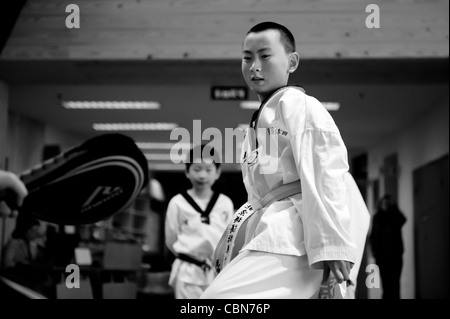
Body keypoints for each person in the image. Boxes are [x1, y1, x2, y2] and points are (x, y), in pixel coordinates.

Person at [201, 22, 365, 299]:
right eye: (247, 57)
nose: (254, 66)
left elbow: (325, 173)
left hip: (297, 234)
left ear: (292, 62)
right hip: (274, 227)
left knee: (216, 299)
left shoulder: (300, 105)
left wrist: (332, 246)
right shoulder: (262, 117)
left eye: (265, 56)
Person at [165, 144, 234, 298]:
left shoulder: (225, 203)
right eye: (197, 169)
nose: (202, 175)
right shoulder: (177, 202)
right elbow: (171, 240)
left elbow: (230, 238)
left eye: (208, 170)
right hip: (187, 270)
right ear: (187, 172)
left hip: (218, 270)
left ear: (217, 173)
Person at [370, 194, 406, 299]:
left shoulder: (394, 215)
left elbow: (403, 220)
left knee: (395, 284)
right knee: (386, 286)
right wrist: (374, 251)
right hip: (381, 258)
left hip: (396, 257)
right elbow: (373, 235)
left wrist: (393, 207)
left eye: (387, 203)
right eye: (384, 202)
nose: (386, 205)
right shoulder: (377, 217)